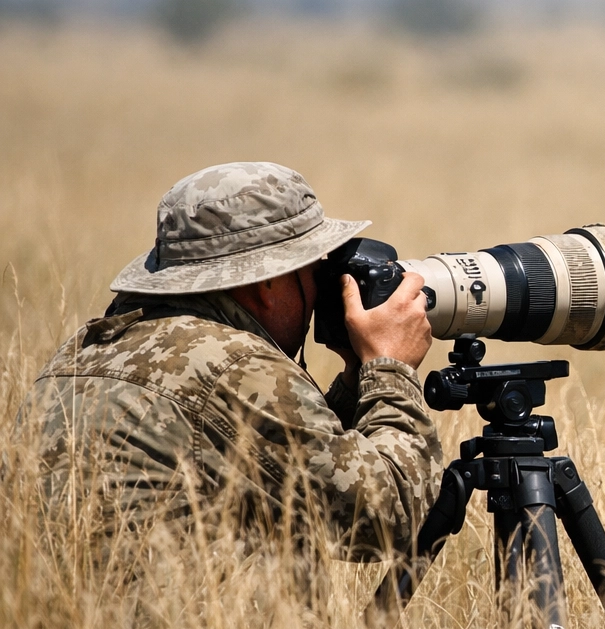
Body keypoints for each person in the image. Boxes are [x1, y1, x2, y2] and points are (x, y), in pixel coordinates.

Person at [17, 161, 442, 581]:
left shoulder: (86, 351)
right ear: (267, 285)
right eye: (314, 270)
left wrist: (356, 379)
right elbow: (384, 520)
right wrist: (390, 367)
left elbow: (293, 466)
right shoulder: (236, 365)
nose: (321, 291)